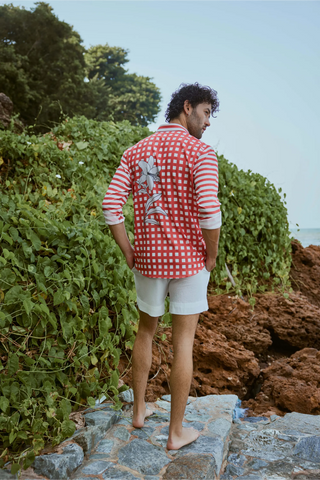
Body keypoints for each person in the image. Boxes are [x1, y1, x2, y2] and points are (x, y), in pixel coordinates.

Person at [102, 83, 221, 450]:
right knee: (183, 341)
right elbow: (209, 211)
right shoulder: (201, 152)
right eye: (205, 113)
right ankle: (175, 433)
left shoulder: (136, 151)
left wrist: (128, 251)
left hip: (148, 260)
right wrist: (211, 257)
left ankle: (139, 413)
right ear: (187, 107)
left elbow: (111, 206)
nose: (207, 123)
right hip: (188, 261)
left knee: (145, 332)